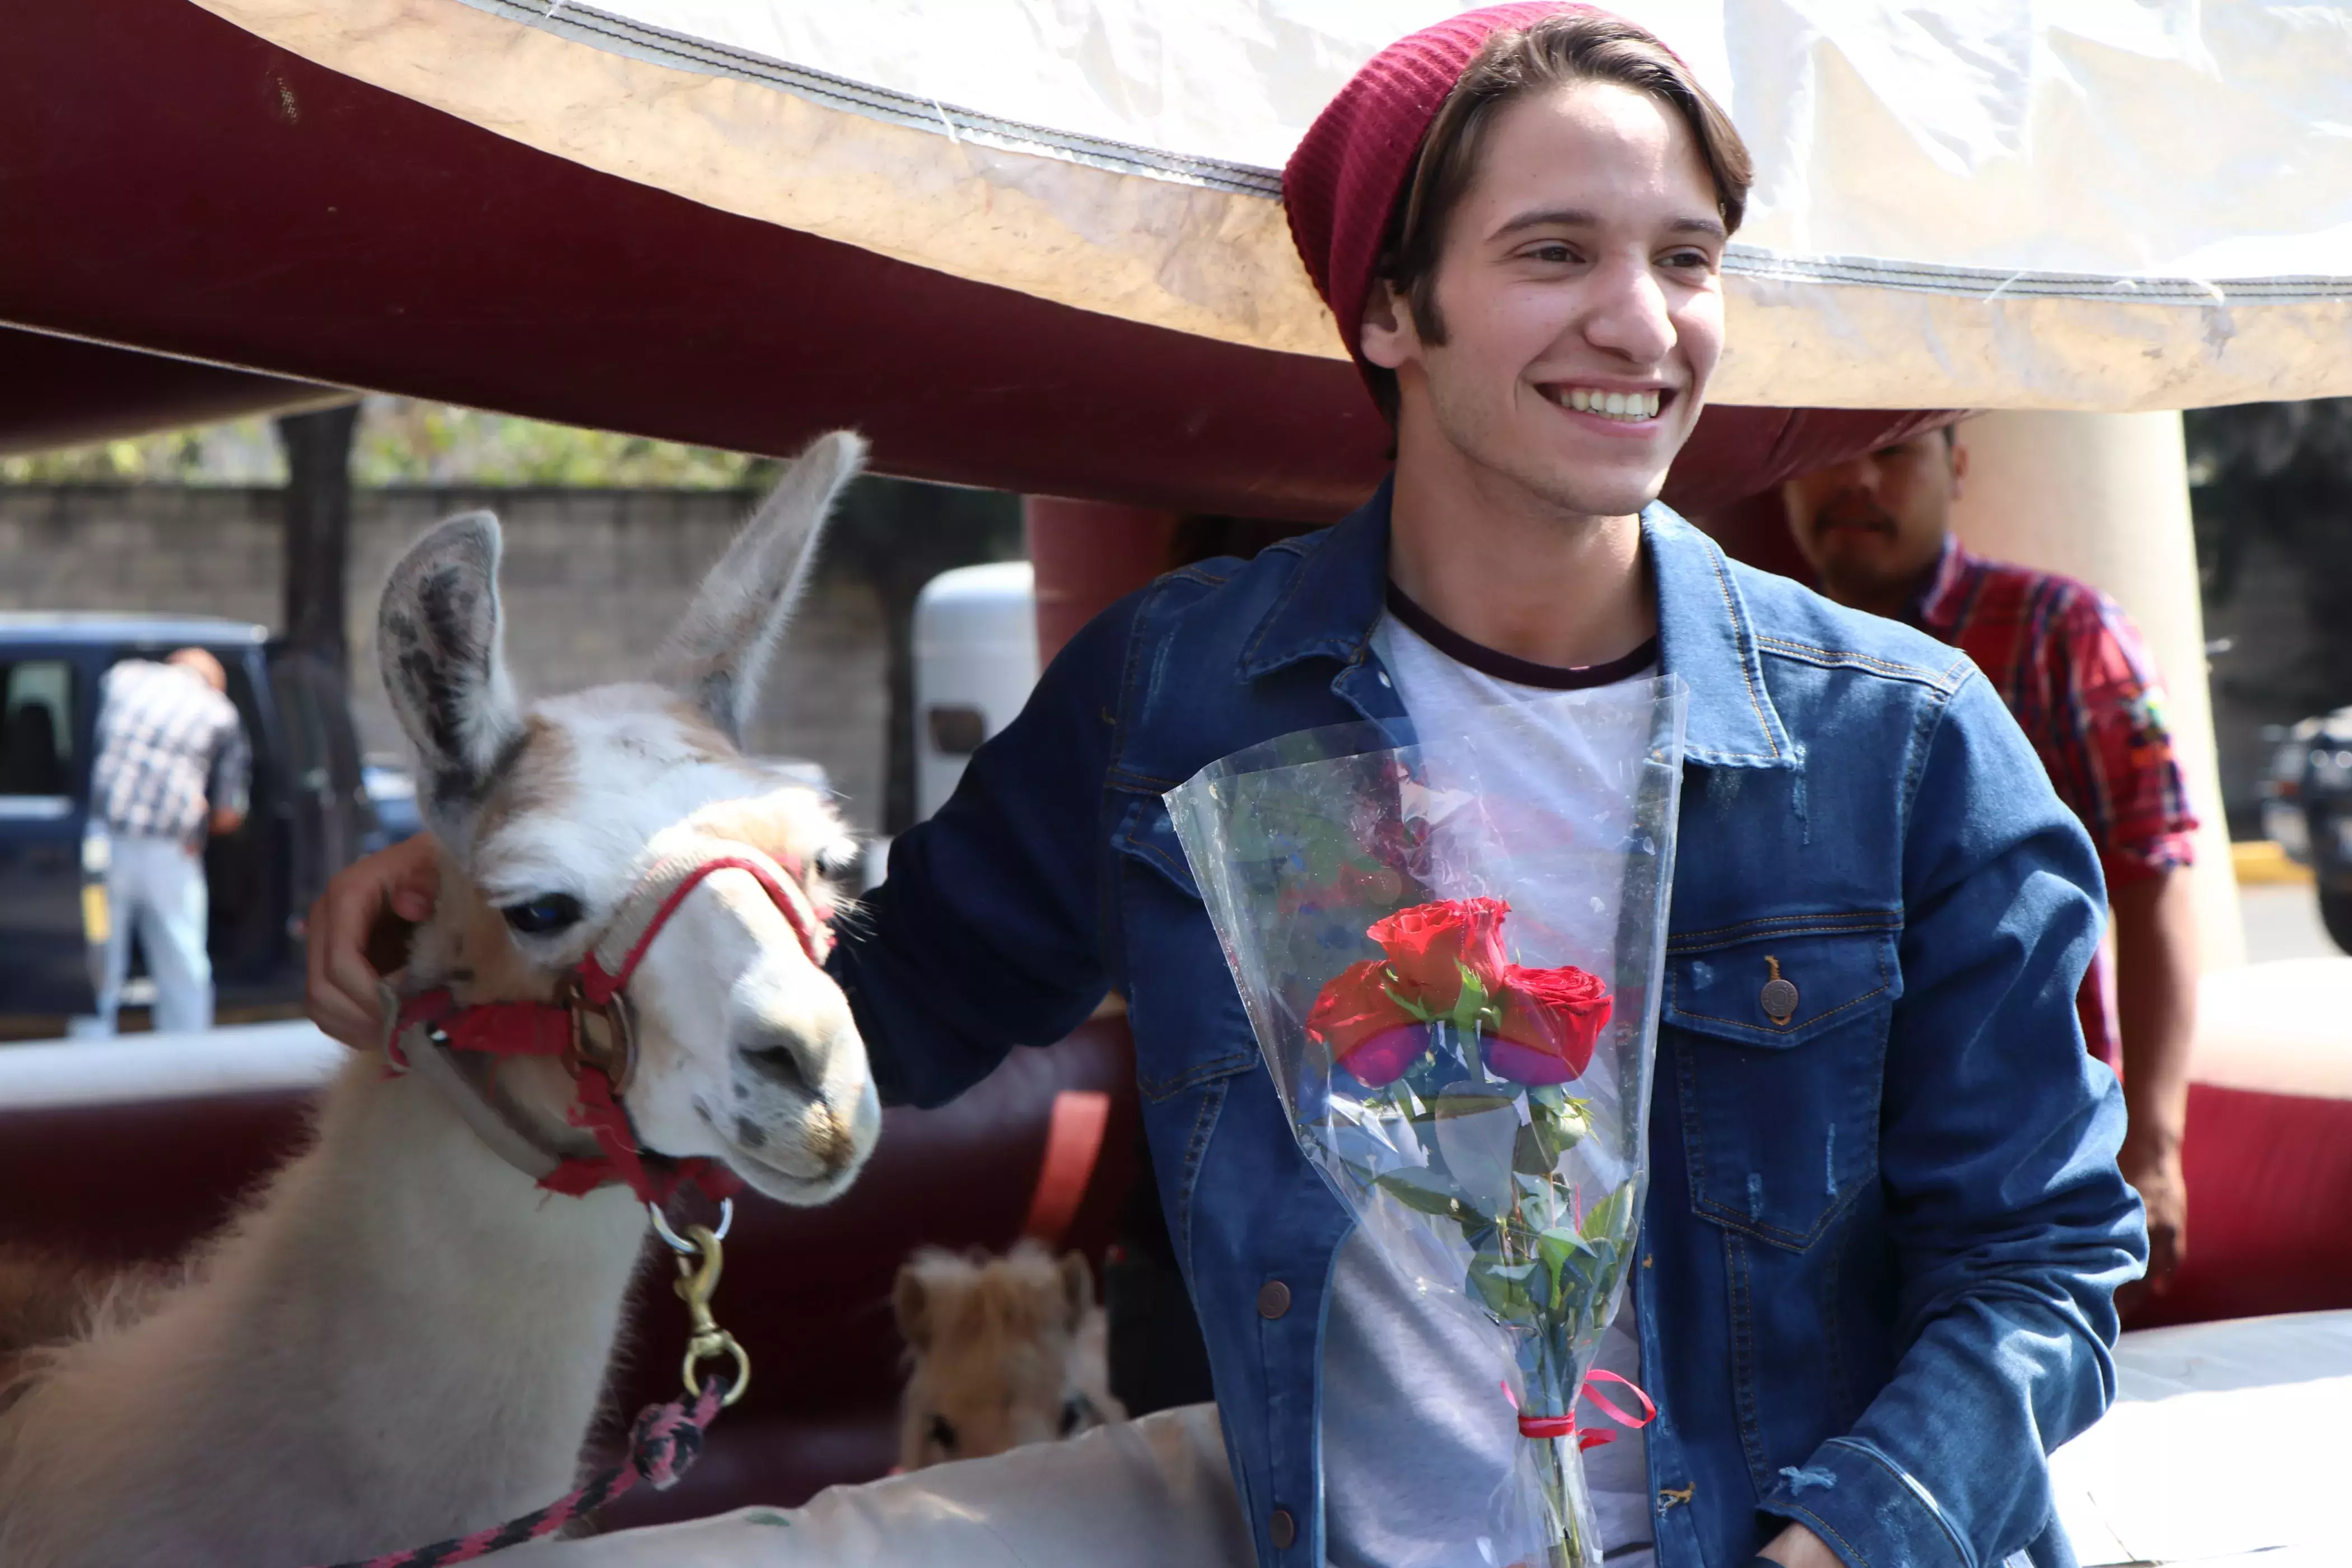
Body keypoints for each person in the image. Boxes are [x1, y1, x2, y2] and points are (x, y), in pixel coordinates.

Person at [306, 8, 2144, 1566]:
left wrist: (1844, 1546)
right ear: (1389, 317)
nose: (1644, 324)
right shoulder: (1186, 700)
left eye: (1686, 259)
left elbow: (2047, 1262)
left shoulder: (1899, 739)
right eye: (1555, 253)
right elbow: (881, 1010)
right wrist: (516, 892)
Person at [1781, 428, 2199, 1300]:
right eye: (1827, 448)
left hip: (2028, 1151)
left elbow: (2153, 879)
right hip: (1810, 1169)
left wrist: (2153, 1150)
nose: (1854, 474)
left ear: (1958, 464)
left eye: (1894, 452)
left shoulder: (2060, 630)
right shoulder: (1758, 655)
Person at [78, 648, 249, 1036]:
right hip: (168, 854)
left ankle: (89, 1055)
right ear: (213, 683)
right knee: (181, 959)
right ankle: (187, 1058)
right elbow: (229, 814)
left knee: (101, 957)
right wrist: (201, 816)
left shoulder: (121, 680)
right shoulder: (218, 711)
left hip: (101, 847)